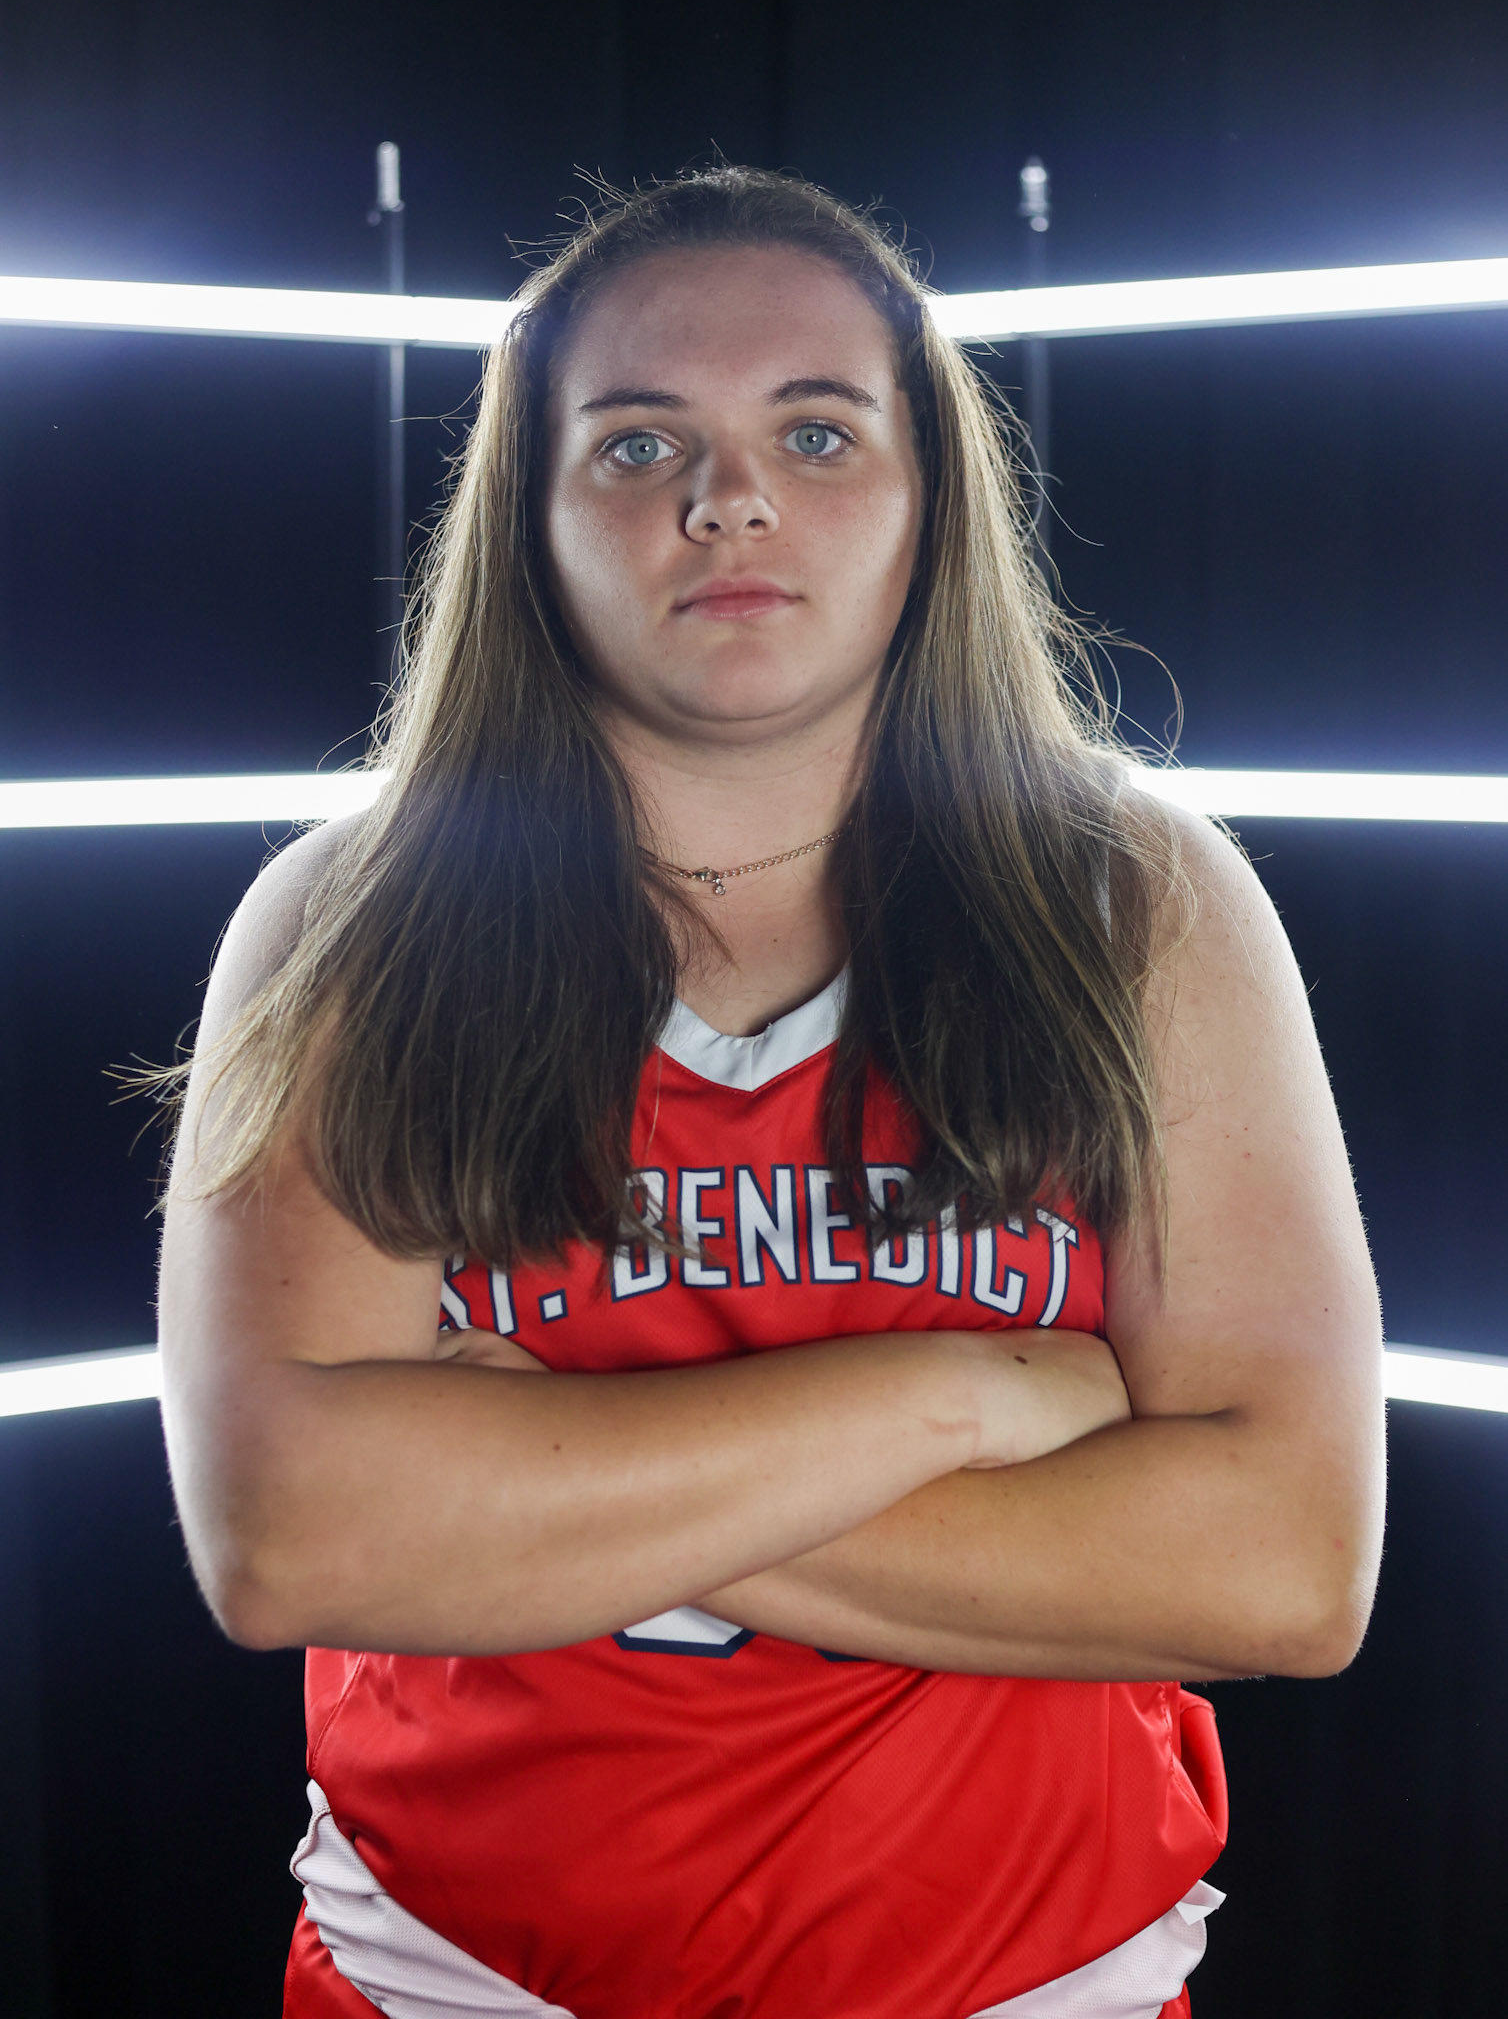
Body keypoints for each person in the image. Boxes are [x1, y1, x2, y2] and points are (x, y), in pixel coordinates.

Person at [155, 167, 1385, 2019]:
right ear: (531, 520)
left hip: (1048, 1983)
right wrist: (969, 1393)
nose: (729, 497)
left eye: (817, 432)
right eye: (639, 444)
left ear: (927, 500)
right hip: (461, 1984)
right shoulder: (358, 921)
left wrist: (531, 1475)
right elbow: (291, 1540)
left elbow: (1286, 1568)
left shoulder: (1136, 905)